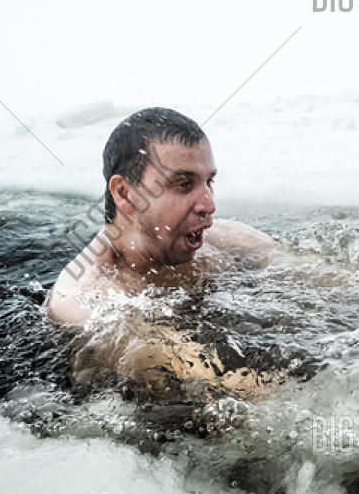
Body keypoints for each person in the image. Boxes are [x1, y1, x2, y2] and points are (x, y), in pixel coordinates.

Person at [44, 107, 280, 402]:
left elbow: (316, 273)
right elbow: (203, 376)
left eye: (209, 182)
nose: (209, 205)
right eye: (183, 184)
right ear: (125, 193)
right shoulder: (87, 299)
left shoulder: (223, 241)